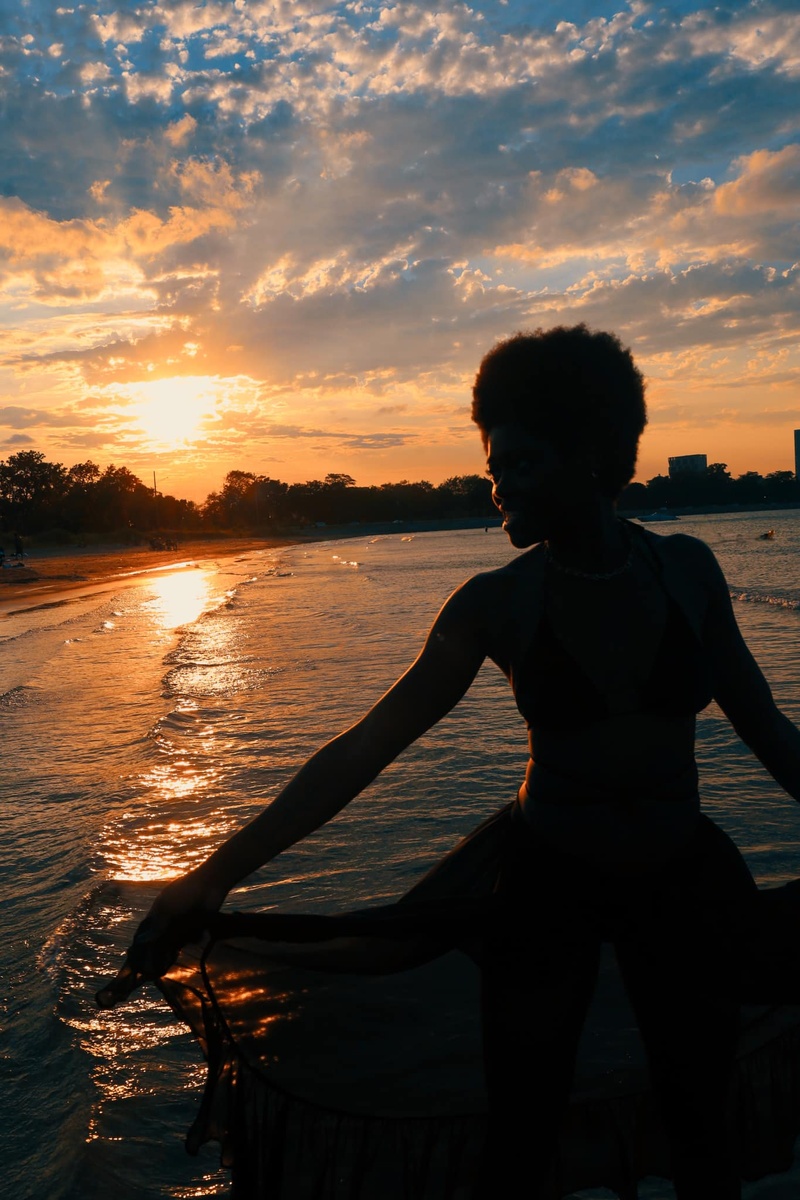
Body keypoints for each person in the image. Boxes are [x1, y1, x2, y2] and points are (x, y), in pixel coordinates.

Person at [107, 324, 800, 1199]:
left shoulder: (689, 573)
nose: (496, 483)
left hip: (684, 883)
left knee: (703, 1129)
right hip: (545, 888)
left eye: (519, 462)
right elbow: (365, 747)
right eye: (492, 462)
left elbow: (768, 727)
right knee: (523, 1135)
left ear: (589, 455)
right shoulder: (495, 604)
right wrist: (215, 872)